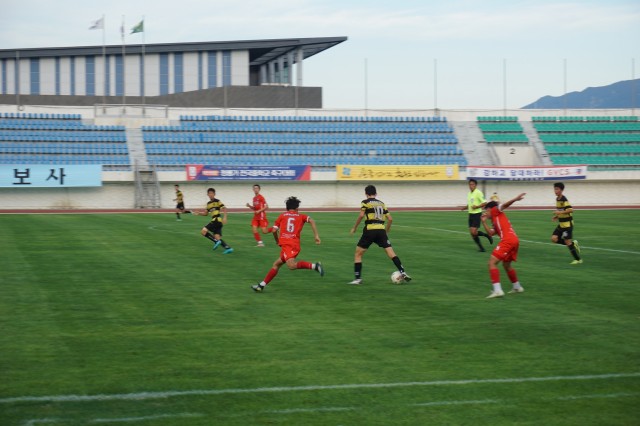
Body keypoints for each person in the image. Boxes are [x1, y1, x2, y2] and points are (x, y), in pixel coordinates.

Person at [252, 196, 323, 292]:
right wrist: (316, 236)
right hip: (291, 245)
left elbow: (273, 230)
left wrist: (277, 240)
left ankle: (315, 266)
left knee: (291, 266)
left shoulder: (282, 216)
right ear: (297, 208)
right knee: (276, 265)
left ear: (287, 208)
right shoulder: (301, 216)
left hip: (289, 246)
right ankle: (261, 285)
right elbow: (312, 221)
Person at [348, 184, 411, 285]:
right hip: (381, 231)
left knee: (358, 254)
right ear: (375, 193)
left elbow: (361, 215)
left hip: (370, 230)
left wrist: (354, 227)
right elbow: (390, 219)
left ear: (366, 194)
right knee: (391, 253)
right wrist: (387, 230)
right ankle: (403, 272)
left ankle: (357, 279)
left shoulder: (365, 202)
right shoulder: (382, 204)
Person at [480, 193, 526, 299]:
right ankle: (517, 287)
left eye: (486, 211)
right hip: (514, 240)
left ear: (491, 209)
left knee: (492, 262)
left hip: (508, 240)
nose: (486, 213)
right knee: (506, 265)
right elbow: (491, 233)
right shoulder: (495, 219)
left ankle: (497, 290)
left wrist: (515, 198)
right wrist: (484, 222)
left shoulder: (496, 210)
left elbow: (504, 205)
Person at [194, 188, 233, 254]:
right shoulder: (208, 204)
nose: (210, 194)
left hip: (217, 220)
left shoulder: (217, 201)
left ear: (214, 194)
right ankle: (228, 248)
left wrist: (225, 217)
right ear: (207, 195)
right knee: (217, 237)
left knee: (203, 231)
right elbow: (206, 213)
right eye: (209, 193)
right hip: (218, 222)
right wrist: (199, 213)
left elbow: (224, 208)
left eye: (212, 193)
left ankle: (216, 242)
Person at [551, 182, 582, 264]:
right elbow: (561, 210)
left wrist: (559, 213)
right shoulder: (557, 199)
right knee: (554, 239)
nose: (555, 191)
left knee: (567, 242)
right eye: (554, 189)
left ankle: (578, 259)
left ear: (561, 190)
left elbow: (571, 210)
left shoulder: (564, 199)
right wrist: (557, 216)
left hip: (567, 224)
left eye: (557, 189)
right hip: (561, 224)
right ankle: (573, 243)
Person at [460, 178, 493, 252]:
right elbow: (470, 204)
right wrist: (464, 208)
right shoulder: (469, 194)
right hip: (470, 214)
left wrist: (477, 206)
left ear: (475, 185)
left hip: (477, 214)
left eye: (472, 184)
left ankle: (486, 235)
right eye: (470, 184)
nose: (471, 186)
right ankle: (481, 248)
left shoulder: (478, 193)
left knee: (473, 232)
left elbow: (485, 202)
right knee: (473, 234)